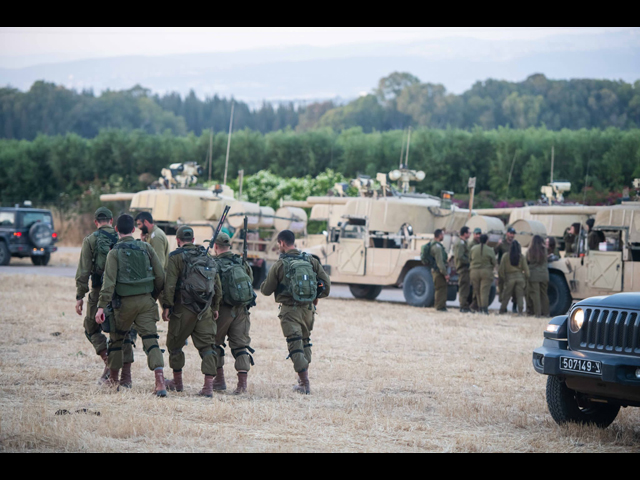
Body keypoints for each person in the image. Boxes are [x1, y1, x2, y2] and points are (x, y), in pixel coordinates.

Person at [95, 214, 168, 397]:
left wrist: (101, 306)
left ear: (117, 230)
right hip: (146, 302)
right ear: (134, 230)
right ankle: (160, 383)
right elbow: (160, 276)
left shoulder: (114, 253)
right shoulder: (146, 248)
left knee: (116, 341)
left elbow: (108, 284)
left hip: (123, 304)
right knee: (151, 341)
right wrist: (152, 296)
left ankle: (114, 380)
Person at [260, 230, 331, 395]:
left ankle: (304, 383)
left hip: (289, 311)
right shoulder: (310, 260)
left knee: (295, 344)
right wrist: (315, 296)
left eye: (279, 244)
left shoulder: (280, 264)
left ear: (282, 243)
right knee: (305, 342)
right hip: (308, 310)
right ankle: (302, 378)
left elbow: (265, 290)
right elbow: (326, 285)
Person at [161, 226, 222, 398]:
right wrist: (215, 307)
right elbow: (218, 286)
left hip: (183, 309)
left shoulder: (175, 257)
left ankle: (177, 382)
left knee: (174, 345)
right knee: (208, 347)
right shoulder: (208, 257)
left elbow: (170, 284)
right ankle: (208, 386)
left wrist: (167, 306)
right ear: (194, 240)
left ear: (178, 240)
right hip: (205, 309)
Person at [74, 207, 119, 384]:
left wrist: (79, 296)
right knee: (117, 330)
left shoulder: (90, 240)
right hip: (121, 292)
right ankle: (117, 371)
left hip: (99, 290)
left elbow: (83, 270)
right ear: (111, 220)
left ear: (96, 222)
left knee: (91, 327)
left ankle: (108, 361)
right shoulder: (120, 237)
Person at [212, 232, 256, 395]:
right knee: (241, 346)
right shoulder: (241, 262)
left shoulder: (214, 263)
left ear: (215, 246)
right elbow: (249, 282)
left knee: (214, 343)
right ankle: (242, 385)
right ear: (228, 246)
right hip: (242, 310)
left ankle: (219, 380)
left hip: (223, 310)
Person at [498, 240, 529, 315]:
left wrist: (504, 279)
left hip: (509, 279)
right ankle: (520, 312)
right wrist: (524, 278)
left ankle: (502, 310)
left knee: (506, 296)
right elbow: (527, 271)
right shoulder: (521, 257)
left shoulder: (505, 256)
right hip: (520, 278)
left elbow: (501, 270)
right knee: (520, 296)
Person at [470, 234, 496, 315]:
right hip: (486, 272)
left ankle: (479, 308)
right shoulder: (490, 250)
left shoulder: (473, 248)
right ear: (487, 240)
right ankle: (484, 309)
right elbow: (494, 262)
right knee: (484, 291)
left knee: (477, 291)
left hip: (474, 271)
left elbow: (470, 258)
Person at [527, 235, 550, 318]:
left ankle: (538, 313)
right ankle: (547, 313)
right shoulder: (544, 250)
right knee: (544, 294)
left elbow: (527, 261)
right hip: (544, 275)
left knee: (535, 294)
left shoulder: (530, 251)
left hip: (534, 275)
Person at [427, 229, 449, 312]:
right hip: (438, 271)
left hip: (436, 270)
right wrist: (445, 273)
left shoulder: (434, 245)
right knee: (441, 289)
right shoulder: (437, 247)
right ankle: (440, 307)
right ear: (439, 235)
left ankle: (440, 306)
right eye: (442, 235)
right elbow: (440, 262)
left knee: (440, 288)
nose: (443, 236)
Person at [495, 227, 517, 311]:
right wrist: (498, 245)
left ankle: (514, 304)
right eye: (510, 233)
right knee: (502, 288)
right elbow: (495, 252)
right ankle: (503, 306)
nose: (511, 235)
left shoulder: (515, 244)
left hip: (513, 269)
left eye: (513, 234)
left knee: (514, 289)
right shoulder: (502, 243)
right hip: (503, 270)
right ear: (507, 233)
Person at [454, 227, 472, 313]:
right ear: (465, 234)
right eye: (469, 233)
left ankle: (464, 305)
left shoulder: (464, 242)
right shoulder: (460, 243)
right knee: (464, 288)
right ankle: (463, 306)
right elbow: (460, 256)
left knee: (465, 287)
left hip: (465, 268)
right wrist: (469, 262)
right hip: (463, 268)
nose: (470, 234)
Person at [468, 228, 483, 311]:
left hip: (478, 268)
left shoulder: (480, 244)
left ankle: (475, 304)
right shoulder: (472, 245)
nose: (478, 236)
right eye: (476, 234)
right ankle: (473, 305)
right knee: (475, 288)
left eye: (479, 234)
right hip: (473, 268)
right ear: (474, 235)